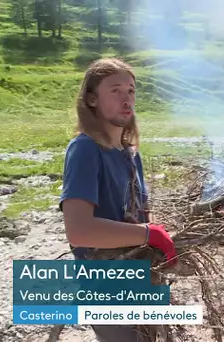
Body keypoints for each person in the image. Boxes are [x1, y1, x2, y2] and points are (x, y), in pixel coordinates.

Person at [59, 57, 177, 342]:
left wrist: (157, 243)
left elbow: (139, 216)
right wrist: (148, 234)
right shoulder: (85, 149)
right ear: (91, 99)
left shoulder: (130, 154)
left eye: (131, 91)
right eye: (115, 90)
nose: (127, 99)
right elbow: (79, 231)